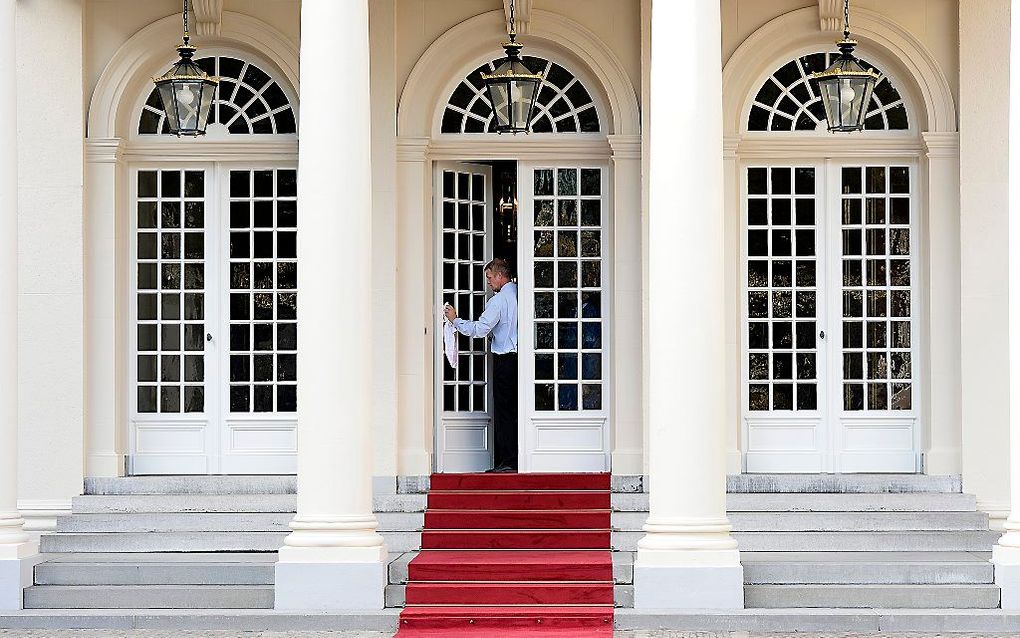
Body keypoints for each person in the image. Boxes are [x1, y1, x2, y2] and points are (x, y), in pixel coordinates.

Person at [444, 258, 518, 472]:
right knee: (513, 410)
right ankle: (515, 458)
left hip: (505, 360)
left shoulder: (498, 301)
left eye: (488, 277)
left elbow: (480, 329)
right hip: (519, 360)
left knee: (504, 411)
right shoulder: (520, 295)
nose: (487, 282)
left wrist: (455, 320)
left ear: (499, 276)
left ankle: (507, 461)